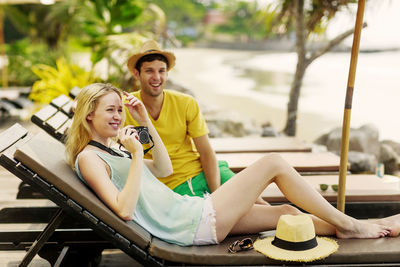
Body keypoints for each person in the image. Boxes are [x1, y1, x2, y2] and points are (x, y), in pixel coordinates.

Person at [65, 83, 400, 247]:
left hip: (192, 211)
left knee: (289, 214)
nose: (116, 116)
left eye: (118, 110)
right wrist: (137, 154)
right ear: (88, 114)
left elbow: (164, 169)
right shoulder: (89, 158)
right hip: (189, 223)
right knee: (273, 163)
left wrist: (143, 123)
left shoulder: (113, 151)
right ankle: (353, 225)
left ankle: (362, 224)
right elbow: (124, 211)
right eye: (109, 110)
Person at [125, 40, 270, 205]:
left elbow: (206, 152)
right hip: (175, 183)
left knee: (259, 204)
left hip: (207, 170)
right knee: (244, 212)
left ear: (167, 73)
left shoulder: (186, 102)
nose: (156, 77)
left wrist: (217, 194)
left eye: (161, 71)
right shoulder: (125, 107)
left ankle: (297, 224)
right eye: (149, 71)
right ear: (137, 74)